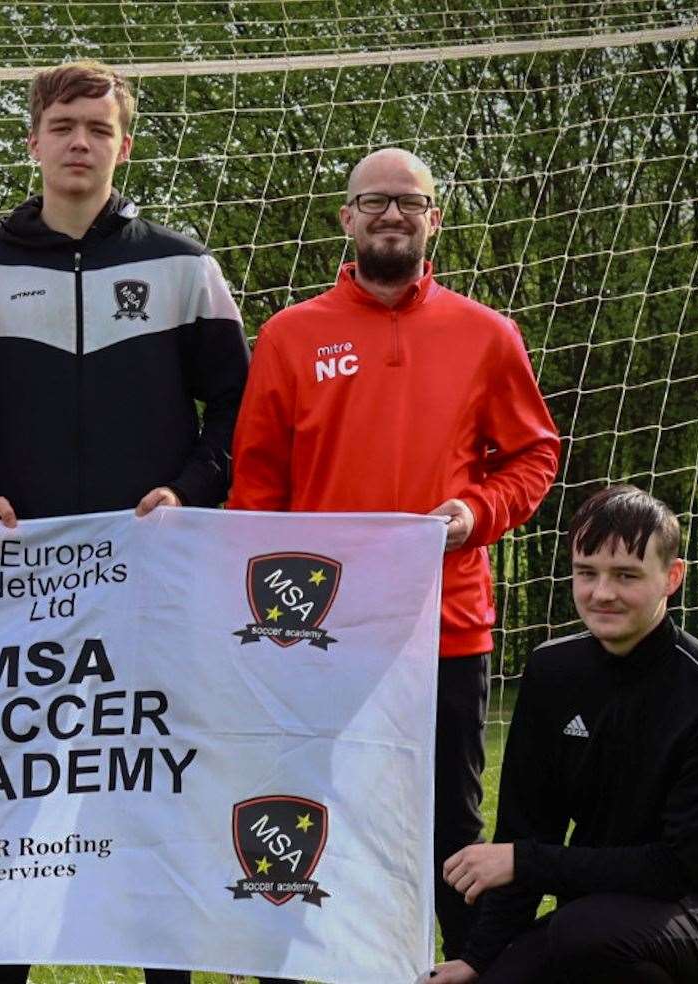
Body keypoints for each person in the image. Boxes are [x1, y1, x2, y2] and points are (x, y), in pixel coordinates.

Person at [0, 59, 248, 984]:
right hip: (18, 583)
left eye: (99, 128)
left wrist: (191, 491)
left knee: (154, 792)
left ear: (123, 142)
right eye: (65, 125)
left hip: (153, 577)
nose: (81, 142)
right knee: (17, 801)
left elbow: (241, 409)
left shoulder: (184, 265)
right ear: (32, 140)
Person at [227, 148, 561, 965]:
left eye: (408, 203)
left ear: (433, 219)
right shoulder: (288, 334)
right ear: (345, 219)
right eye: (372, 201)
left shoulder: (486, 335)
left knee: (445, 827)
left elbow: (533, 458)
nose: (390, 215)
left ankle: (455, 968)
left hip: (441, 627)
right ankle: (289, 968)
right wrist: (261, 620)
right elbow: (255, 492)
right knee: (301, 815)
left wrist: (475, 512)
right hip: (312, 634)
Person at [425, 485, 698, 983]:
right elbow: (527, 826)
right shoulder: (552, 671)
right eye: (586, 573)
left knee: (578, 934)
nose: (601, 593)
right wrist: (480, 958)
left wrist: (526, 862)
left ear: (671, 577)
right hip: (597, 918)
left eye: (626, 576)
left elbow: (673, 868)